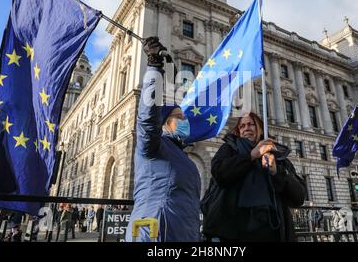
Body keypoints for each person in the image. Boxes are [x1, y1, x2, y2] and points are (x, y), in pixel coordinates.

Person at [126, 37, 201, 242]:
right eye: (178, 117)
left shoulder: (181, 155)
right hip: (154, 234)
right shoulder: (154, 144)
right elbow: (148, 118)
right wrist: (154, 69)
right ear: (165, 122)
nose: (184, 121)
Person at [202, 112, 306, 242]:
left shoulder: (277, 156)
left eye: (251, 124)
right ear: (238, 131)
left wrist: (277, 172)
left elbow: (298, 198)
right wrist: (251, 155)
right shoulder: (230, 149)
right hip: (234, 233)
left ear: (261, 128)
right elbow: (220, 175)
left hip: (273, 232)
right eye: (242, 126)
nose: (247, 128)